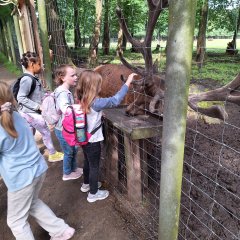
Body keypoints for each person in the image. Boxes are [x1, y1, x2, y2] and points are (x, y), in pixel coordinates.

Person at [0, 81, 75, 240]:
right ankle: (61, 230)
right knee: (32, 203)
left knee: (16, 221)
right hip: (38, 169)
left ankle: (60, 230)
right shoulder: (14, 114)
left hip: (21, 179)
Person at [75, 70, 137, 203]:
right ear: (94, 87)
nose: (100, 87)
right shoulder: (96, 103)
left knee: (88, 162)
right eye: (99, 85)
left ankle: (87, 184)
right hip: (93, 141)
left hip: (84, 139)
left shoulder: (82, 99)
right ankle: (93, 194)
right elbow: (115, 100)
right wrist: (127, 83)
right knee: (94, 166)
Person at [17, 51, 63, 162]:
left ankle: (30, 153)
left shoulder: (32, 78)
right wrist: (38, 106)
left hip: (26, 113)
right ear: (32, 64)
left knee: (29, 134)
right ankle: (52, 154)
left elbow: (36, 93)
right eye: (39, 64)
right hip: (32, 113)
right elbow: (21, 98)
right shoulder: (27, 79)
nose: (41, 66)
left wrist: (48, 94)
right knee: (45, 132)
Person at [54, 64, 83, 181]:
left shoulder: (66, 91)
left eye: (76, 75)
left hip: (67, 128)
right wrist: (81, 108)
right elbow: (66, 109)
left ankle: (74, 168)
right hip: (63, 129)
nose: (76, 77)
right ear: (62, 77)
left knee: (74, 149)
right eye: (73, 75)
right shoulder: (62, 93)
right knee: (69, 152)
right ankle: (67, 173)